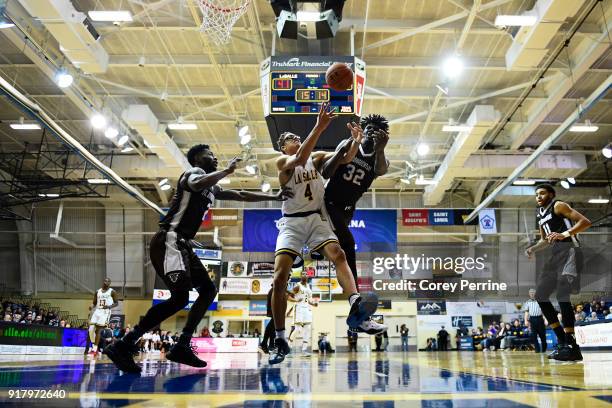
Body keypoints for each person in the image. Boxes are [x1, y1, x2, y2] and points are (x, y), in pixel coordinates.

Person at [105, 144, 293, 373]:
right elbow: (196, 185)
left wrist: (273, 196)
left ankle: (182, 343)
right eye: (209, 154)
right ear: (197, 158)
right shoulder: (193, 174)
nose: (214, 157)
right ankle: (124, 345)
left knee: (207, 290)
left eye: (214, 155)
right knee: (180, 298)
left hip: (181, 243)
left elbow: (240, 194)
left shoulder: (212, 187)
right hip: (168, 240)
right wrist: (226, 171)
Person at [269, 103, 386, 365]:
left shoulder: (317, 156)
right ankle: (279, 337)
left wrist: (355, 143)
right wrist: (320, 126)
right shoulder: (283, 162)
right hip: (291, 223)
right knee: (279, 279)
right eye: (291, 139)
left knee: (340, 254)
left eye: (298, 138)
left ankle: (355, 300)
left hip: (316, 218)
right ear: (282, 147)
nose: (296, 141)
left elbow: (343, 159)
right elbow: (299, 159)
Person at [525, 183, 591, 361]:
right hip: (555, 256)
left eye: (542, 193)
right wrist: (533, 248)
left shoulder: (558, 205)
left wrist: (565, 234)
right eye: (536, 194)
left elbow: (585, 222)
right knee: (540, 295)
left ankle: (571, 344)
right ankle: (562, 341)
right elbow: (546, 240)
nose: (538, 196)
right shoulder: (540, 214)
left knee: (562, 294)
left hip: (571, 251)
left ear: (551, 194)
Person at [323, 114, 389, 283]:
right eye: (369, 128)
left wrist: (380, 149)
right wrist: (349, 146)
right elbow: (327, 172)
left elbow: (381, 170)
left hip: (348, 209)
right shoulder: (349, 145)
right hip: (328, 201)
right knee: (348, 243)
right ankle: (355, 294)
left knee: (339, 249)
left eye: (377, 130)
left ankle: (320, 250)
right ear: (363, 130)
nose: (372, 131)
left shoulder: (380, 158)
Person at [288, 272, 319, 355]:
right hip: (299, 308)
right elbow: (288, 296)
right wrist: (295, 300)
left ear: (308, 276)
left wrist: (313, 304)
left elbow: (308, 300)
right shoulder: (297, 286)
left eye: (306, 274)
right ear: (300, 276)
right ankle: (289, 346)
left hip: (307, 309)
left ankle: (304, 350)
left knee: (308, 329)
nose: (305, 275)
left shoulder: (308, 286)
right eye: (303, 274)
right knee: (298, 330)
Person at [88, 278, 119, 356]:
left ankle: (94, 350)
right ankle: (94, 347)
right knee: (91, 329)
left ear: (110, 283)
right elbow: (94, 303)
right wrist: (91, 306)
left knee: (99, 330)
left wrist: (109, 306)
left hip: (105, 312)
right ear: (103, 282)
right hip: (97, 311)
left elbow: (116, 303)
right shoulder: (97, 292)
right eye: (105, 281)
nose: (107, 282)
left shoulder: (112, 292)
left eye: (109, 281)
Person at [524, 288, 547, 353]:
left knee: (542, 335)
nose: (532, 294)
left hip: (540, 319)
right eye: (530, 293)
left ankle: (544, 349)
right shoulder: (527, 302)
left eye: (533, 292)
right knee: (534, 336)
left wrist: (545, 319)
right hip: (532, 319)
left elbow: (543, 311)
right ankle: (537, 350)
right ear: (529, 294)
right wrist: (526, 320)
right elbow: (526, 312)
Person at [260, 285, 276, 354]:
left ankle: (270, 345)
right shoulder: (274, 290)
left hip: (274, 306)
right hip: (274, 306)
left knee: (273, 326)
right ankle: (265, 343)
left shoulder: (274, 289)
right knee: (272, 324)